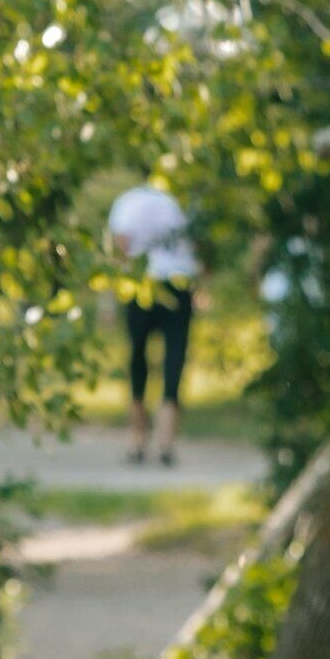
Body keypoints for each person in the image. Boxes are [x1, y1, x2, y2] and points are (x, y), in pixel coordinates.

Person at [105, 172, 201, 465]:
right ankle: (166, 444)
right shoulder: (175, 204)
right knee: (175, 361)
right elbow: (193, 246)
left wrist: (108, 298)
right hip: (177, 284)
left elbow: (119, 249)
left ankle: (137, 441)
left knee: (138, 360)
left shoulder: (126, 203)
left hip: (140, 285)